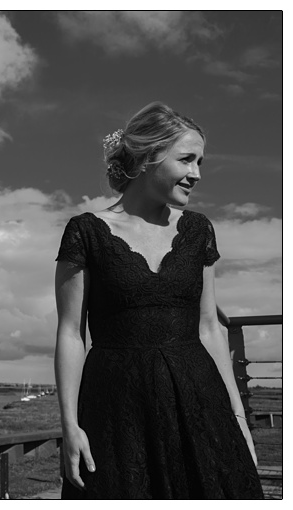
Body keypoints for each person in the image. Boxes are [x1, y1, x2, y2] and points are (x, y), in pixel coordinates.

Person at [54, 102, 261, 498]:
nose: (197, 173)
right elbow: (70, 333)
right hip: (115, 407)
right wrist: (69, 424)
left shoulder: (198, 229)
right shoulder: (86, 232)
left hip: (200, 399)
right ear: (148, 156)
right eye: (186, 159)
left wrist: (237, 417)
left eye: (200, 161)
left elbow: (209, 327)